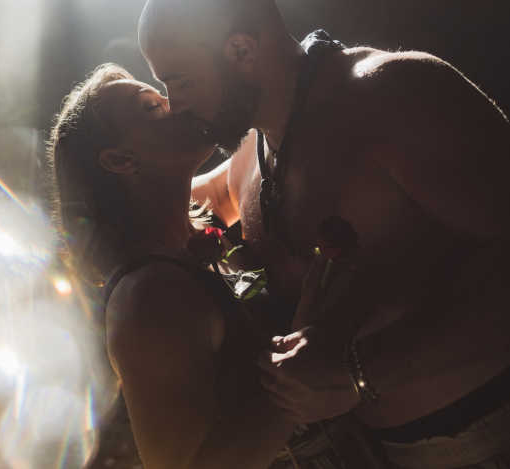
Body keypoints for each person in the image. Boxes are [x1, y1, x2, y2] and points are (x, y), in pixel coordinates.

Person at [139, 0, 510, 466]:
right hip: (381, 453)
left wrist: (360, 371)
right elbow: (160, 205)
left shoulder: (389, 95)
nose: (175, 104)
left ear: (240, 51)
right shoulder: (250, 160)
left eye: (179, 80)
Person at [48, 64, 385, 469]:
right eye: (152, 106)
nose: (177, 103)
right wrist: (309, 366)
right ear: (121, 159)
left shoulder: (200, 228)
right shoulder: (150, 295)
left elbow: (261, 145)